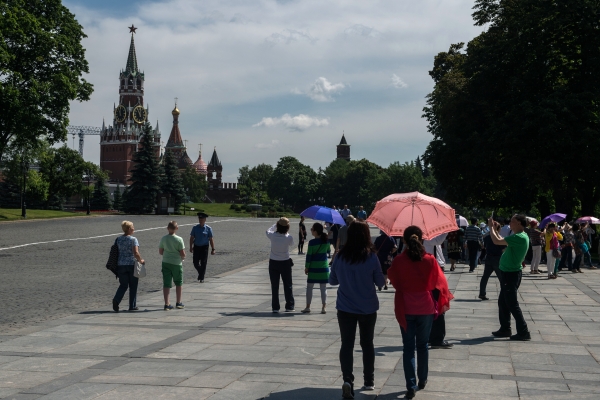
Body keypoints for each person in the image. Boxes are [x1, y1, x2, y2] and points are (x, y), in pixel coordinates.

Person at [388, 226, 453, 399]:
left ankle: (410, 384)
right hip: (425, 307)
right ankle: (422, 379)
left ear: (404, 241)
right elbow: (437, 283)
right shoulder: (430, 260)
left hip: (405, 307)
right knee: (423, 345)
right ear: (422, 239)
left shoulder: (399, 261)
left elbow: (393, 281)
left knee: (408, 347)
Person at [329, 221, 385, 399]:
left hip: (345, 307)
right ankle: (369, 381)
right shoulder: (371, 256)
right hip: (367, 308)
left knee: (347, 344)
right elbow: (380, 282)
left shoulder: (340, 256)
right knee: (367, 343)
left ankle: (347, 379)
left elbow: (332, 281)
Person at [489, 214, 531, 341]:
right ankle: (505, 328)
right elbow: (501, 240)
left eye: (512, 221)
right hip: (509, 272)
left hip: (511, 274)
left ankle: (523, 332)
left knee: (512, 303)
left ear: (519, 223)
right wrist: (496, 230)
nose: (510, 223)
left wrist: (491, 227)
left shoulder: (519, 237)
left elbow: (496, 241)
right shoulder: (519, 236)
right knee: (503, 301)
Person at [423, 233, 452, 350]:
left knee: (433, 307)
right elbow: (439, 240)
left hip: (432, 271)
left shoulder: (427, 238)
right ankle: (437, 339)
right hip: (434, 272)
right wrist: (447, 228)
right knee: (438, 306)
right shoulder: (428, 238)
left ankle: (431, 336)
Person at [113, 220, 144, 312]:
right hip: (131, 264)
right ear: (129, 229)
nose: (134, 229)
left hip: (121, 264)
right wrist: (141, 260)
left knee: (123, 285)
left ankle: (116, 299)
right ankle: (132, 305)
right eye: (133, 227)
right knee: (133, 285)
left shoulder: (118, 239)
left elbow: (116, 251)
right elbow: (136, 252)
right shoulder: (133, 239)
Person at [266, 217, 295, 313]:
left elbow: (268, 231)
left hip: (273, 262)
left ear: (278, 225)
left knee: (274, 286)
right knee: (288, 285)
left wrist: (275, 225)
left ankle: (275, 307)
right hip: (285, 262)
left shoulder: (272, 236)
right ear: (287, 227)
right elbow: (292, 244)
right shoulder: (289, 237)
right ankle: (289, 305)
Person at [302, 223, 330, 314]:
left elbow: (309, 256)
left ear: (316, 231)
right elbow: (329, 251)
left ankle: (308, 306)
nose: (311, 230)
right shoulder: (326, 240)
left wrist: (307, 267)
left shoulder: (311, 242)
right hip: (324, 267)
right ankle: (324, 307)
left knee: (309, 287)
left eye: (312, 229)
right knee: (323, 288)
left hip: (313, 267)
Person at [159, 221, 186, 311]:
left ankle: (167, 304)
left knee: (166, 283)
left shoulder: (163, 238)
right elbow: (182, 253)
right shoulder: (179, 239)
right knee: (178, 282)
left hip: (166, 262)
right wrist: (183, 257)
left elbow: (160, 252)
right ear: (177, 228)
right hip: (176, 263)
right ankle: (178, 302)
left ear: (168, 228)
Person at [479, 224, 506, 300]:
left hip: (488, 257)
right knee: (501, 278)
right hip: (498, 258)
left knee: (485, 277)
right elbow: (504, 249)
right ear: (499, 229)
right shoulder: (499, 238)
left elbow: (483, 245)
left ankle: (482, 293)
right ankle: (504, 294)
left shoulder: (487, 237)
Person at [189, 212, 215, 283]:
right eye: (200, 219)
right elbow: (191, 238)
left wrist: (213, 249)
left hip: (204, 247)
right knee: (195, 263)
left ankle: (201, 277)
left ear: (205, 220)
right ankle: (201, 273)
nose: (201, 220)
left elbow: (211, 239)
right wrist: (191, 247)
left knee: (203, 262)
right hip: (196, 247)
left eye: (202, 219)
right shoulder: (195, 228)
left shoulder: (208, 229)